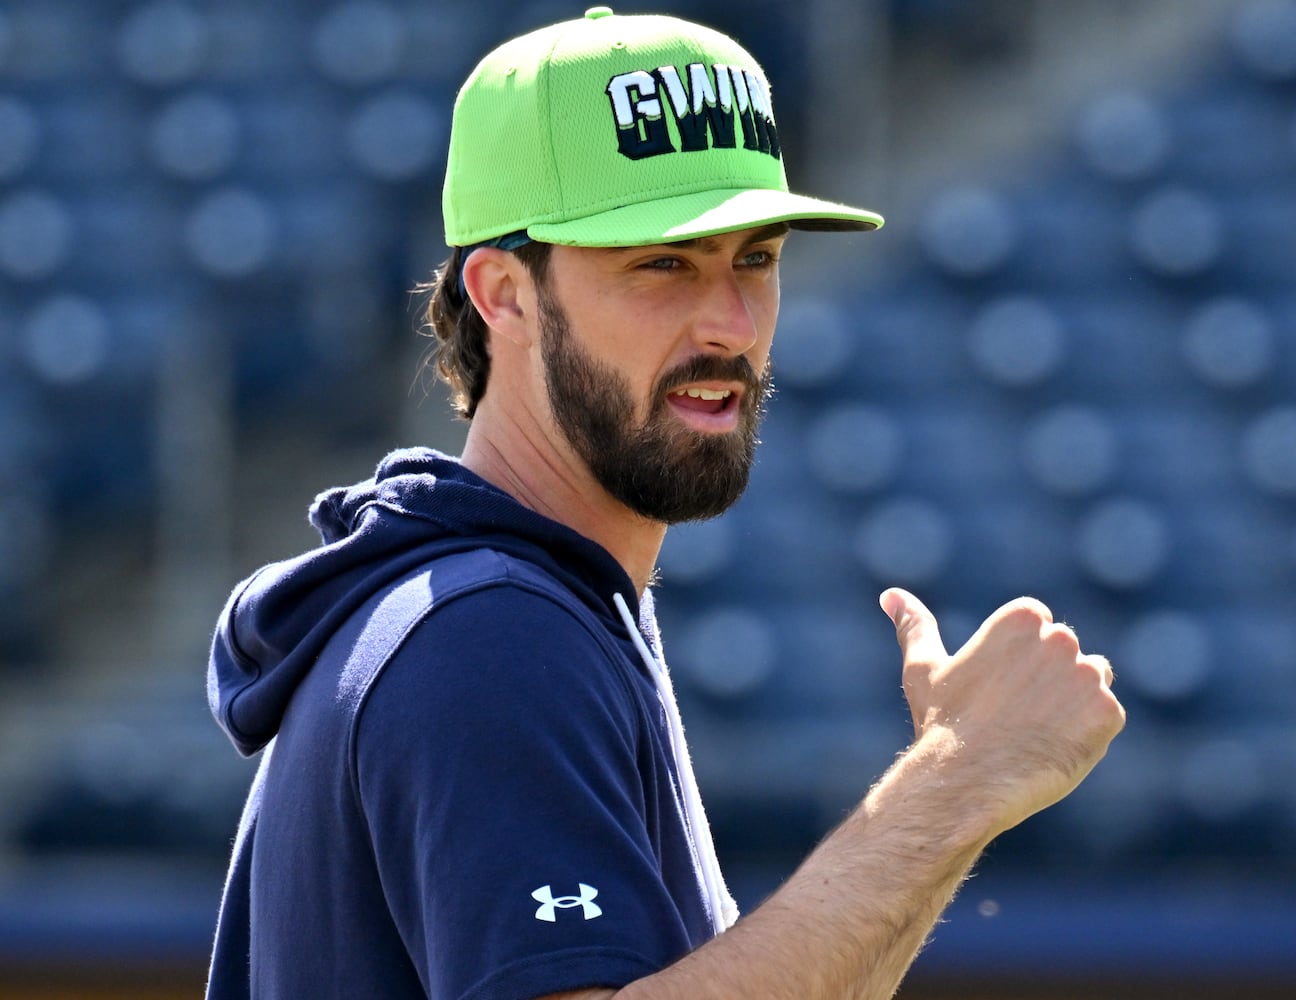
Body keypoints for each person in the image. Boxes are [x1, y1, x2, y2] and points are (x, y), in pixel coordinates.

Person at [204, 7, 1125, 999]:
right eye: (661, 264)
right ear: (502, 293)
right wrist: (949, 782)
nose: (728, 323)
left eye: (755, 260)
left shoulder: (528, 609)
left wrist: (958, 803)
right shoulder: (487, 636)